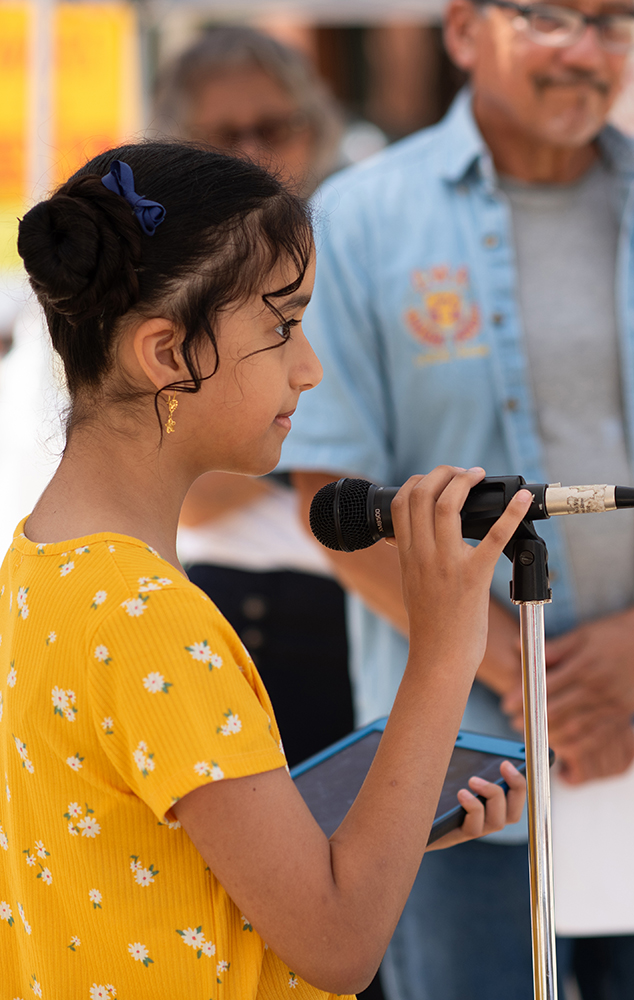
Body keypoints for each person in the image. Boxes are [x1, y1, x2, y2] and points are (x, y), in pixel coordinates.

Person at [1, 141, 528, 998]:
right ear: (167, 354)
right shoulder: (151, 619)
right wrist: (442, 652)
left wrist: (383, 832)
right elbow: (338, 943)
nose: (308, 366)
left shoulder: (37, 564)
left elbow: (164, 861)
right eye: (282, 324)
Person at [282, 0, 634, 997]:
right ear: (461, 31)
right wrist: (530, 683)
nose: (585, 51)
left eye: (615, 22)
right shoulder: (359, 219)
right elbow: (331, 493)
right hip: (461, 758)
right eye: (550, 18)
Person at [155, 26, 353, 767]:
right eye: (223, 133)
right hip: (214, 609)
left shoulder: (351, 252)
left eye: (273, 128)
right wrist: (336, 469)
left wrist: (245, 449)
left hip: (355, 623)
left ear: (315, 128)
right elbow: (191, 491)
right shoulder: (154, 278)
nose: (252, 152)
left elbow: (192, 462)